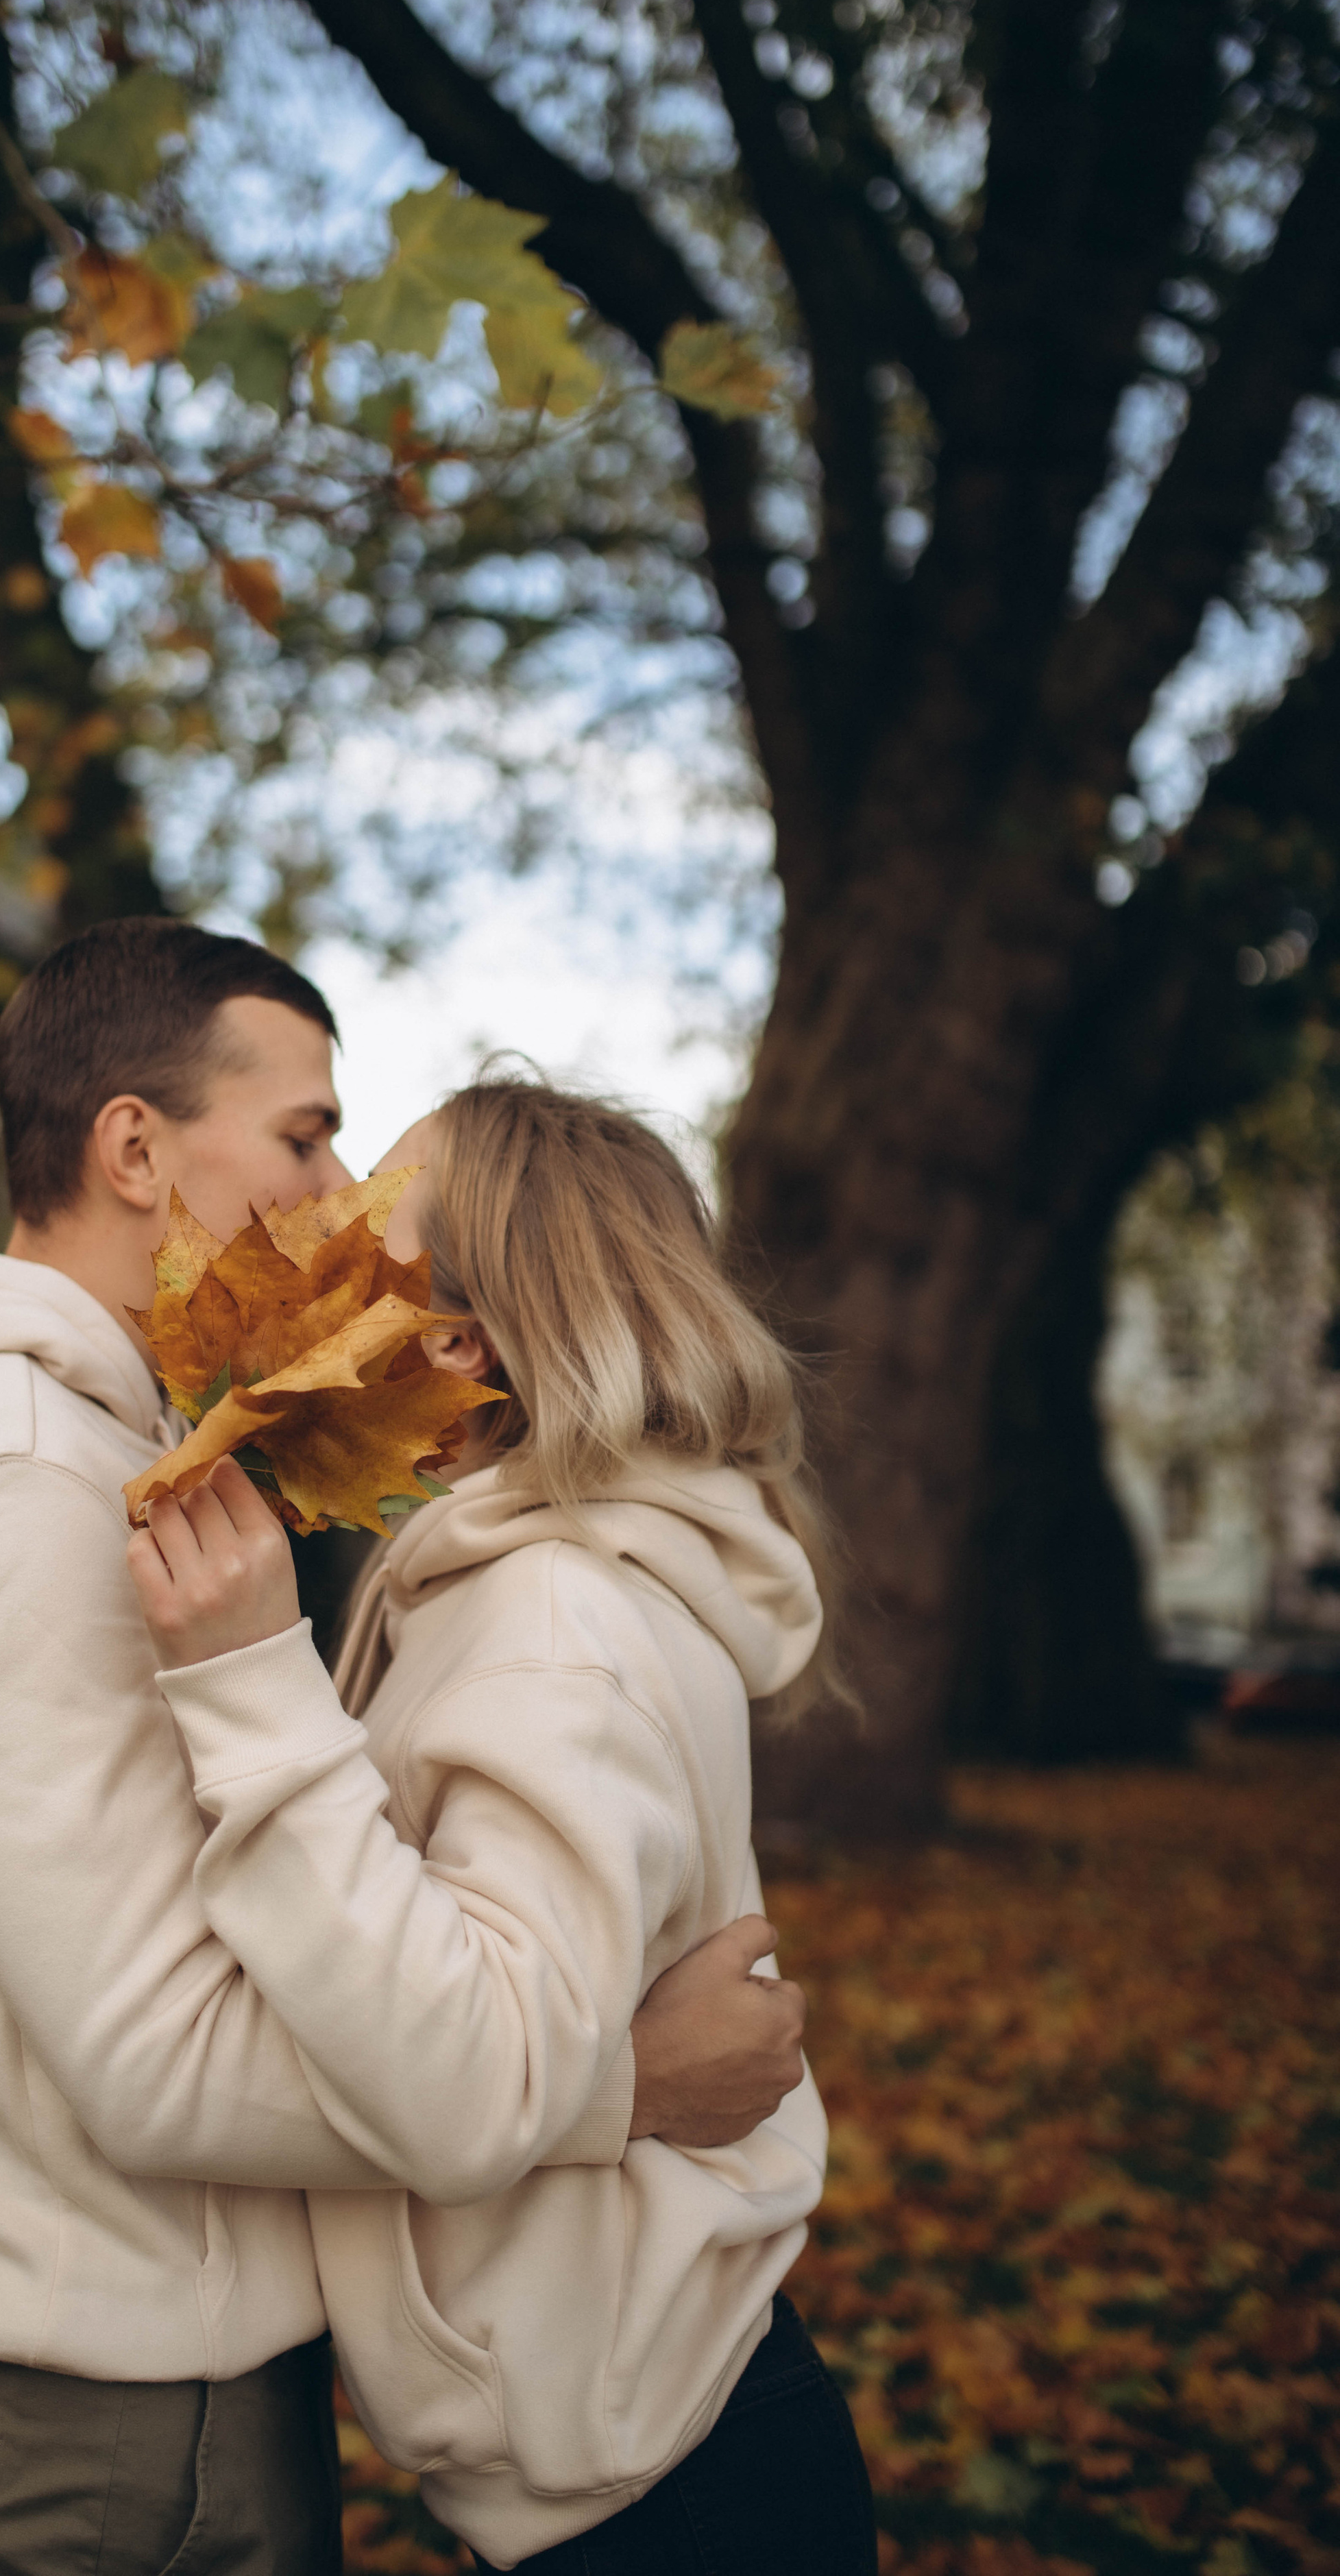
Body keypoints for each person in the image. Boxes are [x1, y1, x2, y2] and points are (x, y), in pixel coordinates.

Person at [0, 921, 814, 2576]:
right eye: (307, 1137)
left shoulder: (118, 1455)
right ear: (132, 1147)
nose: (336, 1212)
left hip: (183, 2396)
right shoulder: (7, 1477)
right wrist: (611, 2080)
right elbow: (165, 2051)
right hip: (105, 2419)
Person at [128, 1076, 880, 2574]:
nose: (319, 1240)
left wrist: (245, 1687)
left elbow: (470, 2083)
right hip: (645, 2449)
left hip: (665, 2496)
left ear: (457, 1339)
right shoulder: (536, 1578)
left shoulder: (551, 1619)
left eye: (368, 1236)